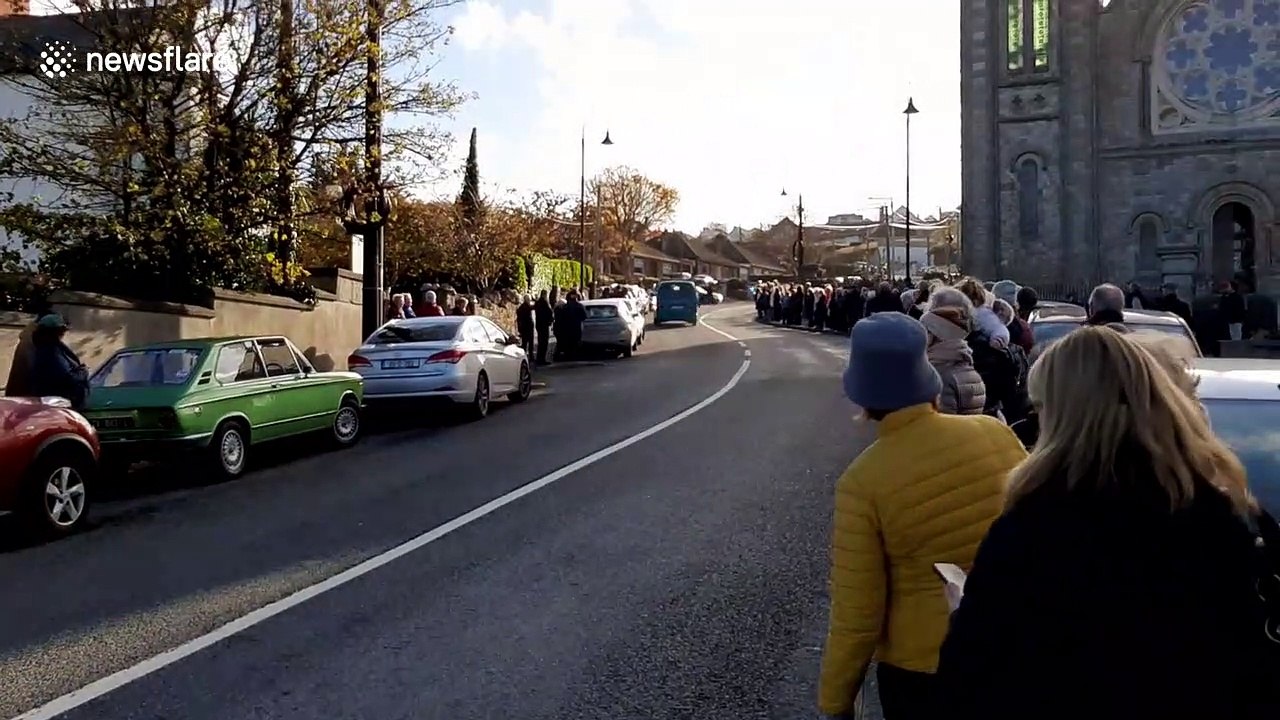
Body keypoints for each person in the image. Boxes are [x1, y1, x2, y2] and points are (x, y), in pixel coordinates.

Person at [936, 327, 1280, 720]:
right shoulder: (1228, 516)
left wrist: (964, 613)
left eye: (1041, 407)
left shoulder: (1034, 532)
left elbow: (969, 681)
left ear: (1063, 414)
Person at [819, 312, 1027, 720]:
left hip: (922, 669)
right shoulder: (994, 432)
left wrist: (836, 700)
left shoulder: (863, 482)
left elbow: (858, 613)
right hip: (1009, 644)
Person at [920, 291, 986, 415]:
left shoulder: (938, 375)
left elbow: (939, 427)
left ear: (937, 334)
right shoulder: (965, 363)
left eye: (927, 331)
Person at [27, 314, 90, 409]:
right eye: (61, 331)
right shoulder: (50, 352)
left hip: (59, 403)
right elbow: (69, 378)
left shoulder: (48, 348)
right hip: (60, 405)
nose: (63, 334)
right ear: (55, 332)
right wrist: (83, 372)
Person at [534, 290, 554, 365]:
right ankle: (542, 360)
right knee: (544, 343)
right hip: (544, 325)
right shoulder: (545, 303)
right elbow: (549, 312)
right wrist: (551, 320)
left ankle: (539, 358)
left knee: (540, 342)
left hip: (539, 325)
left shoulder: (537, 303)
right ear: (545, 295)